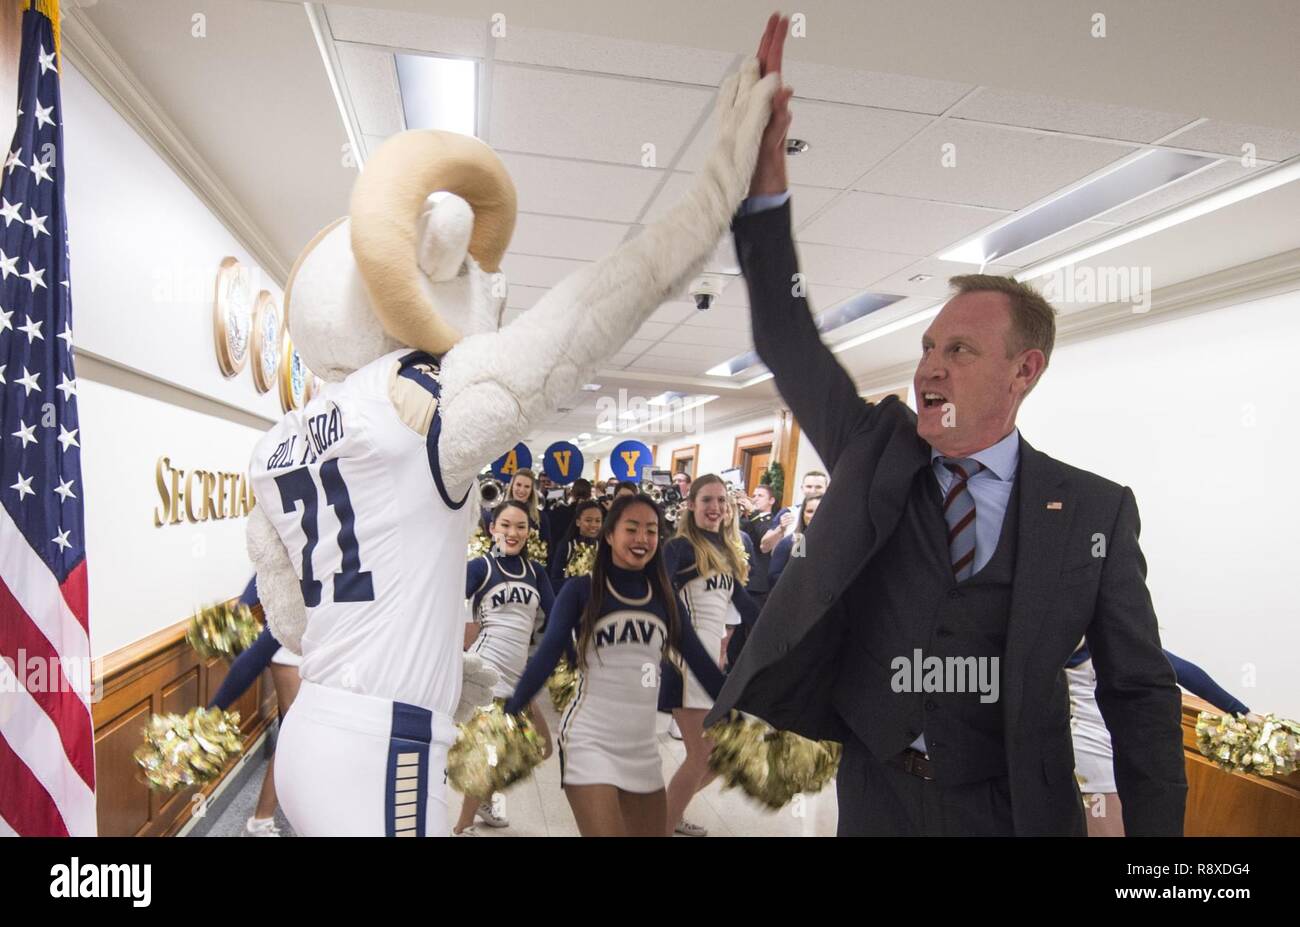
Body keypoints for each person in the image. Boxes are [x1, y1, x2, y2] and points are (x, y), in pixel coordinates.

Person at [247, 52, 776, 837]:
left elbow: (292, 621)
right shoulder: (420, 402)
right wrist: (718, 189)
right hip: (384, 742)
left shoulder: (277, 443)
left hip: (311, 730)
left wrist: (439, 659)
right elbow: (587, 316)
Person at [705, 13, 1186, 837]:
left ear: (1024, 371)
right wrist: (764, 187)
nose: (929, 366)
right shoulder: (874, 450)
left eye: (958, 349)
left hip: (1018, 811)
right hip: (880, 799)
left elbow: (1138, 689)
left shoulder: (1094, 512)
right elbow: (786, 338)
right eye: (928, 346)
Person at [503, 494, 725, 836]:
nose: (642, 538)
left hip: (641, 746)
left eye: (651, 530)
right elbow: (547, 654)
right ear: (609, 535)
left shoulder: (665, 598)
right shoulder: (581, 590)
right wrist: (512, 710)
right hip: (589, 739)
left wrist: (739, 712)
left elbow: (701, 663)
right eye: (631, 529)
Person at [660, 475, 760, 836]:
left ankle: (666, 813)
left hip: (710, 663)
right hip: (685, 663)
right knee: (702, 754)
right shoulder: (679, 548)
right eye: (706, 500)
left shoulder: (726, 551)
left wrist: (785, 637)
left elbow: (747, 608)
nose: (714, 507)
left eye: (720, 500)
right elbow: (661, 596)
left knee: (725, 756)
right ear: (691, 505)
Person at [1069, 643, 1250, 837]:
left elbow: (1178, 668)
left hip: (1124, 750)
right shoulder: (1074, 642)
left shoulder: (1117, 641)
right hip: (1091, 751)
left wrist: (1241, 711)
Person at [453, 500, 556, 835]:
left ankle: (485, 800)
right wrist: (460, 638)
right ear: (492, 529)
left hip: (519, 679)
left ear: (528, 532)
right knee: (487, 755)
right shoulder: (480, 567)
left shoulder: (535, 572)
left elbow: (556, 615)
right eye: (506, 525)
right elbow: (447, 602)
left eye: (520, 526)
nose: (513, 532)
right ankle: (462, 827)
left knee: (542, 747)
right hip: (488, 674)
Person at [207, 577, 301, 837]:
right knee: (293, 741)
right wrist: (213, 712)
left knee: (295, 742)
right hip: (293, 653)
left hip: (316, 652)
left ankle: (264, 820)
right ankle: (260, 822)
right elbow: (259, 652)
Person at [548, 500, 604, 595]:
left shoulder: (603, 547)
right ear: (578, 522)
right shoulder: (567, 546)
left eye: (598, 521)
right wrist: (580, 584)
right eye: (588, 520)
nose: (594, 525)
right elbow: (554, 582)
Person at [767, 492, 821, 589]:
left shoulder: (836, 543)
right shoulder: (792, 542)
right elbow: (773, 577)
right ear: (802, 514)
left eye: (819, 511)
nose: (814, 515)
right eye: (809, 511)